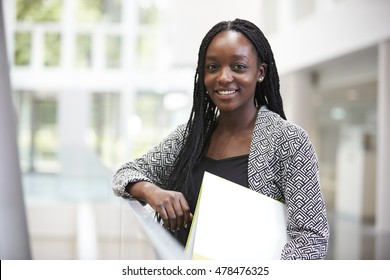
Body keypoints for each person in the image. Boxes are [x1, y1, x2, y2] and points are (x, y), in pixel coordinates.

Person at [112, 18, 330, 260]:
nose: (224, 77)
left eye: (238, 66)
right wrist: (152, 191)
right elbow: (125, 174)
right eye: (213, 67)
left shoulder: (288, 141)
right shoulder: (192, 137)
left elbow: (311, 239)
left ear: (260, 72)